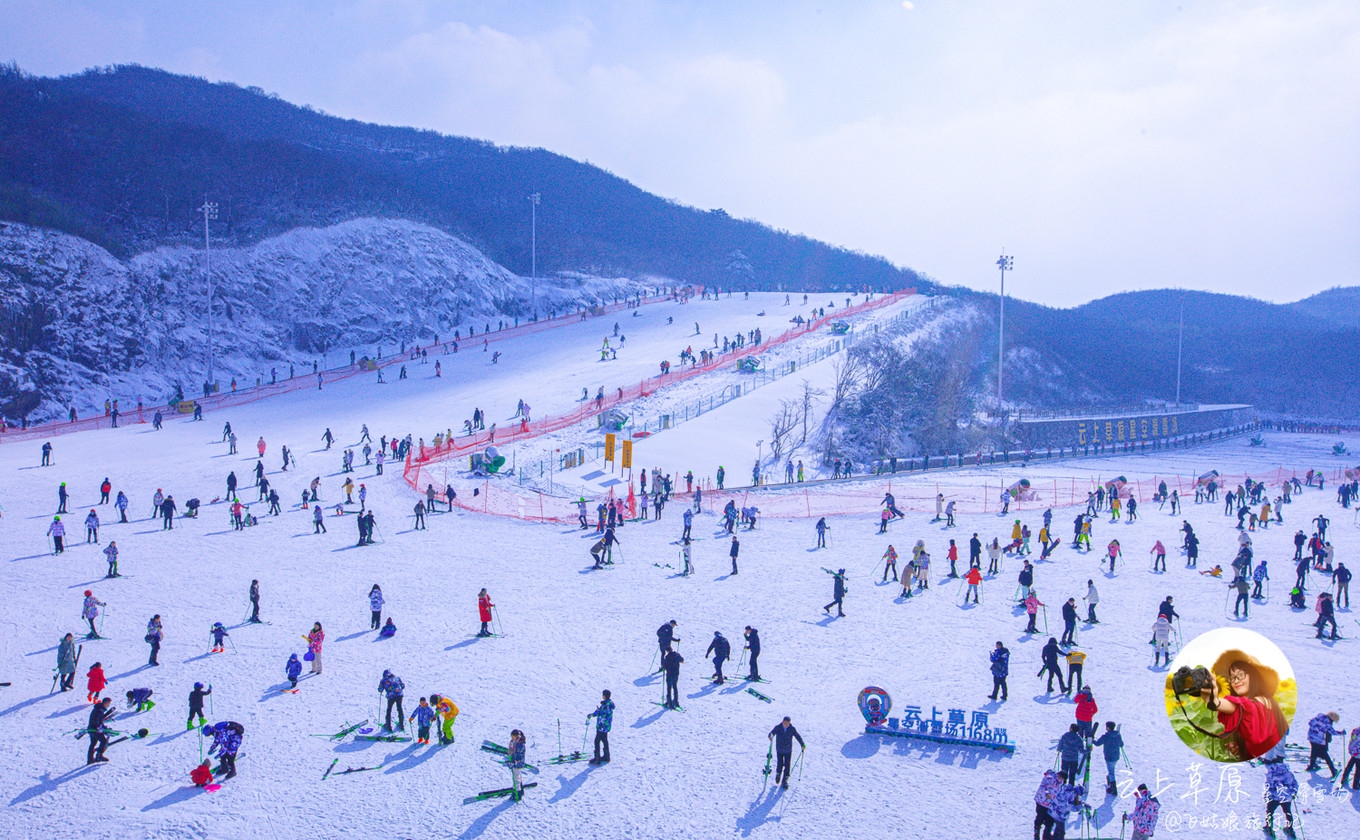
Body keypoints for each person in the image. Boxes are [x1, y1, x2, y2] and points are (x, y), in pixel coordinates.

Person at [1193, 649, 1288, 760]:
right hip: (1271, 739)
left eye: (1241, 675)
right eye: (1232, 677)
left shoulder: (1262, 700)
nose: (1236, 681)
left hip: (1276, 736)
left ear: (1254, 676)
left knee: (1276, 748)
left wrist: (1215, 702)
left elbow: (1241, 707)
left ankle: (1276, 758)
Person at [768, 716, 805, 790]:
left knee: (787, 765)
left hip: (788, 750)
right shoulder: (778, 728)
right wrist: (770, 736)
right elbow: (771, 733)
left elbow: (797, 736)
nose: (786, 725)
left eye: (787, 724)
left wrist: (802, 744)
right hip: (780, 749)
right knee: (780, 763)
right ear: (782, 722)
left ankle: (785, 780)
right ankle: (778, 774)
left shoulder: (792, 729)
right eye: (785, 723)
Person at [1305, 711, 1343, 777]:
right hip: (1319, 740)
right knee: (1325, 755)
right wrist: (1341, 733)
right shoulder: (1327, 723)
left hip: (1311, 736)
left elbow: (1309, 723)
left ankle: (1311, 765)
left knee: (1313, 751)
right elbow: (1332, 732)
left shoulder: (1318, 716)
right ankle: (1333, 770)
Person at [1093, 722, 1123, 796]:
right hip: (1116, 756)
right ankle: (1110, 781)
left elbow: (1097, 743)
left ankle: (1113, 789)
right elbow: (1121, 744)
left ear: (1108, 728)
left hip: (1109, 756)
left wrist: (1092, 740)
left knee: (1111, 771)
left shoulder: (1106, 736)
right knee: (1112, 769)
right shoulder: (1118, 735)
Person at [587, 690, 614, 764]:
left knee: (597, 741)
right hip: (605, 726)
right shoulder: (607, 704)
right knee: (604, 740)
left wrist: (596, 712)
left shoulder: (606, 705)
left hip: (602, 726)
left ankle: (597, 758)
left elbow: (602, 714)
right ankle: (606, 756)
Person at [86, 697, 115, 764]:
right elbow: (96, 721)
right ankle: (99, 756)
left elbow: (98, 720)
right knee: (104, 741)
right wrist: (101, 727)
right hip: (95, 730)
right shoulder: (100, 711)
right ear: (105, 703)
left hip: (91, 729)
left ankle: (90, 759)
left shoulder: (97, 709)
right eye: (108, 704)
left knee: (93, 743)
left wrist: (102, 726)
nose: (108, 705)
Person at [1341, 723, 1360, 790]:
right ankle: (1356, 784)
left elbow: (1353, 738)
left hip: (1353, 750)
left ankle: (1344, 777)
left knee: (1351, 763)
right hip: (1359, 753)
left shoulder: (1356, 730)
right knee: (1358, 769)